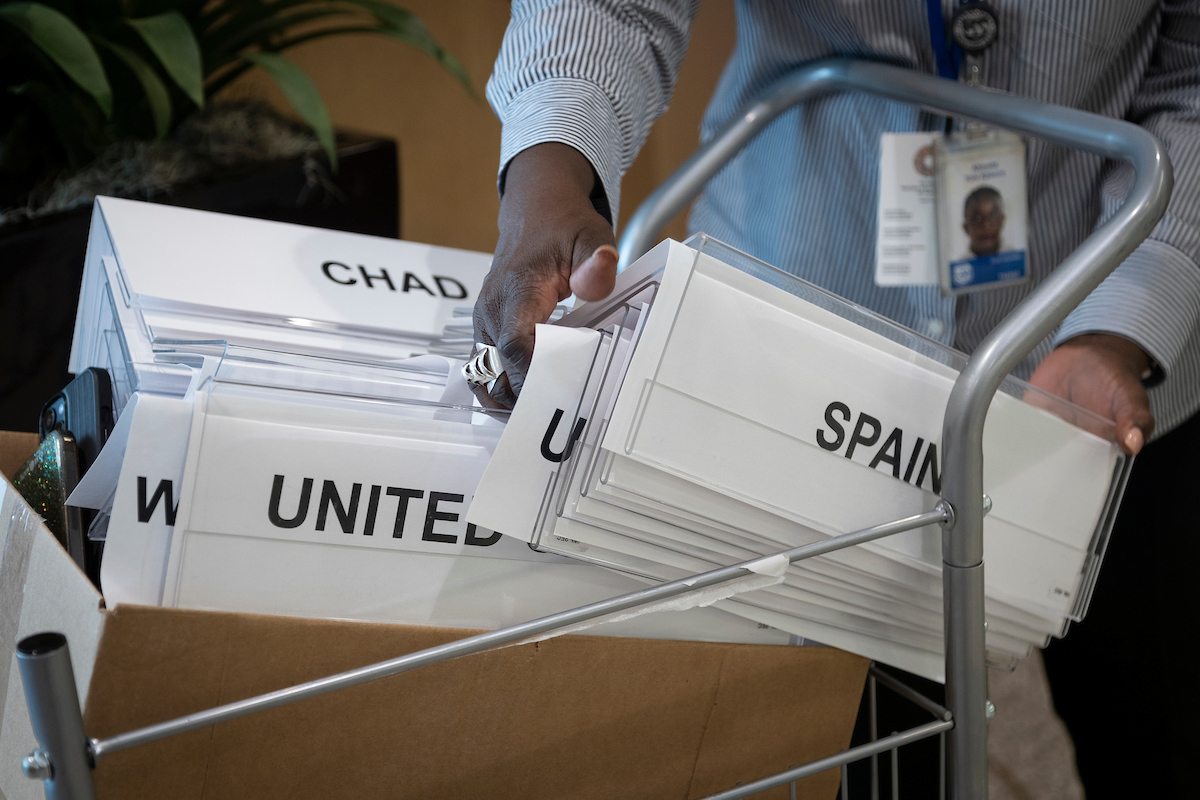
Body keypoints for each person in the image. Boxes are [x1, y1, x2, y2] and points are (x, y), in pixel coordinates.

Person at [473, 2, 1200, 796]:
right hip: (797, 339)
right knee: (868, 754)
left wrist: (1123, 324)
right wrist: (547, 173)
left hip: (1107, 335)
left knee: (1155, 726)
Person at [961, 185, 1006, 257]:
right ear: (966, 228)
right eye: (977, 219)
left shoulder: (1017, 258)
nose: (986, 225)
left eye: (993, 217)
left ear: (1002, 220)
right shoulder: (959, 263)